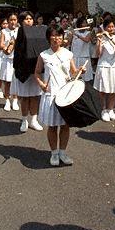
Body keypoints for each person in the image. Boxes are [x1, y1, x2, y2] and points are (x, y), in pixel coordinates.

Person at [34, 26, 83, 166]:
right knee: (53, 126)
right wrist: (42, 84)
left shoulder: (68, 54)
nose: (57, 38)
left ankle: (63, 152)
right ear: (49, 38)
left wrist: (80, 70)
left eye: (59, 36)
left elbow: (74, 73)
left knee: (66, 125)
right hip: (51, 94)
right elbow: (37, 72)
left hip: (66, 94)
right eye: (54, 36)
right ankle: (54, 153)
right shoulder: (44, 55)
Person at [12, 11, 44, 132]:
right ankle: (24, 119)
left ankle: (34, 120)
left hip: (35, 69)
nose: (29, 21)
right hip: (24, 69)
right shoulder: (19, 31)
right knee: (25, 97)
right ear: (21, 21)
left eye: (30, 18)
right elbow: (19, 51)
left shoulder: (38, 32)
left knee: (35, 96)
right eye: (26, 19)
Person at [94, 16, 115, 121]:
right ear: (105, 28)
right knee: (103, 89)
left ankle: (111, 109)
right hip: (104, 66)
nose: (111, 29)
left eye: (112, 27)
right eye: (109, 27)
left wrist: (110, 37)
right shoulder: (101, 38)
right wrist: (99, 42)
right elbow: (98, 54)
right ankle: (103, 110)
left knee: (114, 89)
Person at [0, 13, 18, 110]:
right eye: (11, 20)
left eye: (14, 20)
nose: (13, 22)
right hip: (7, 58)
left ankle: (15, 99)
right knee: (7, 81)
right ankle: (7, 100)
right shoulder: (3, 31)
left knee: (16, 80)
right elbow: (1, 44)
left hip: (16, 59)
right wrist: (6, 47)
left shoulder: (19, 31)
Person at [69, 16, 93, 82]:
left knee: (85, 77)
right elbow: (69, 42)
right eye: (83, 23)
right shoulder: (74, 32)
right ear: (79, 24)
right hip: (75, 57)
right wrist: (71, 33)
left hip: (84, 57)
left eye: (85, 23)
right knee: (75, 77)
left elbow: (87, 40)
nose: (85, 25)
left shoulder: (88, 33)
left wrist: (77, 35)